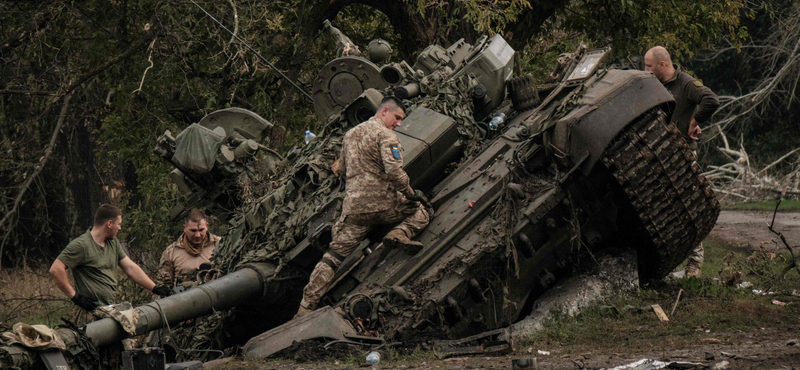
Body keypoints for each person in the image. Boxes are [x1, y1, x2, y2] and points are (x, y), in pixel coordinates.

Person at [295, 97, 431, 318]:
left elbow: (342, 171)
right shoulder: (386, 136)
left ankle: (305, 307)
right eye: (397, 118)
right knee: (423, 210)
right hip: (385, 204)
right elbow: (394, 173)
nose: (398, 124)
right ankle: (399, 233)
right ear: (384, 111)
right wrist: (411, 194)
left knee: (332, 257)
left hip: (354, 210)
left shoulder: (350, 135)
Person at [645, 46, 720, 277]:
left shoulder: (685, 83)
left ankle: (694, 265)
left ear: (662, 65)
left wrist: (694, 121)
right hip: (657, 155)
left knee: (689, 208)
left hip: (683, 154)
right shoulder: (650, 84)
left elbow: (710, 99)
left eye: (648, 66)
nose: (645, 70)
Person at [50, 204, 172, 312]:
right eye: (118, 224)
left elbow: (130, 268)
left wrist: (154, 288)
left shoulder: (113, 243)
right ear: (109, 224)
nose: (120, 228)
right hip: (89, 311)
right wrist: (75, 297)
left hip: (109, 309)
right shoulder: (81, 245)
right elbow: (56, 269)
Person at [157, 209, 220, 288]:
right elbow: (163, 287)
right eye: (193, 231)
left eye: (201, 230)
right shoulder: (171, 253)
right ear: (184, 228)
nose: (197, 235)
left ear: (207, 226)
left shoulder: (219, 245)